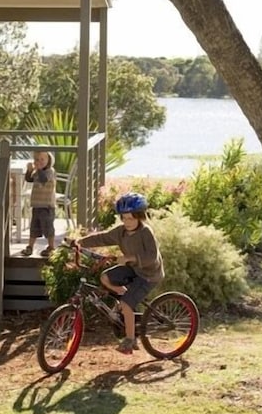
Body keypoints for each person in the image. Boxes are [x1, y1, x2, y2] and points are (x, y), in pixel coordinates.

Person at [72, 192, 164, 354]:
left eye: (131, 218)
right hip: (133, 269)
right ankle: (124, 296)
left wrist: (130, 258)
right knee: (105, 277)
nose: (127, 222)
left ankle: (130, 339)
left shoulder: (145, 232)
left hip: (149, 275)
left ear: (140, 217)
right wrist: (81, 242)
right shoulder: (121, 232)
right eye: (124, 218)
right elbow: (103, 238)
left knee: (127, 304)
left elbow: (152, 257)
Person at [20, 151, 57, 257]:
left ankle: (51, 246)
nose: (39, 162)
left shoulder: (50, 171)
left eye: (42, 160)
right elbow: (29, 179)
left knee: (48, 227)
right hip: (36, 204)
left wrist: (39, 169)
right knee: (34, 227)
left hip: (47, 205)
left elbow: (43, 180)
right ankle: (30, 246)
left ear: (48, 161)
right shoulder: (37, 172)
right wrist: (29, 170)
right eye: (36, 159)